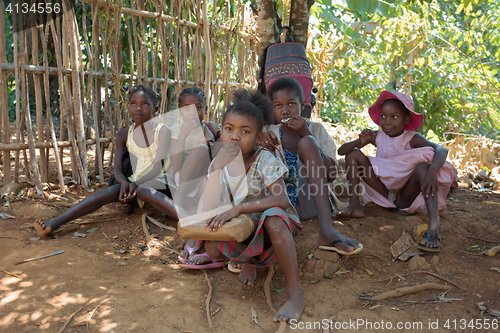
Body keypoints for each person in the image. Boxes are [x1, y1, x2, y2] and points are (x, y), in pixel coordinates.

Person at [180, 90, 305, 323]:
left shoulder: (264, 159)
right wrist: (216, 169)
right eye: (229, 129)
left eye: (245, 131)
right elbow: (209, 205)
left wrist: (238, 209)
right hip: (242, 229)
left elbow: (281, 200)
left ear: (258, 138)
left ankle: (295, 292)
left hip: (269, 229)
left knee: (273, 218)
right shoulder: (221, 161)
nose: (235, 137)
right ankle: (245, 260)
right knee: (214, 238)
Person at [34, 85, 178, 237]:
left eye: (145, 104)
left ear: (156, 110)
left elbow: (157, 167)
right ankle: (54, 224)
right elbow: (117, 168)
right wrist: (123, 183)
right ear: (128, 107)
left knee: (142, 189)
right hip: (134, 183)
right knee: (110, 192)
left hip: (160, 182)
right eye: (133, 104)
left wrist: (137, 184)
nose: (138, 108)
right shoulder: (123, 135)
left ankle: (190, 221)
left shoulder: (162, 131)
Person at [337, 91, 458, 252]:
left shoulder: (412, 138)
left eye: (394, 116)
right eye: (383, 116)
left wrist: (432, 170)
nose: (387, 122)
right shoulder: (378, 137)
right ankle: (354, 206)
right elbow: (342, 151)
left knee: (423, 167)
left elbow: (441, 149)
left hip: (404, 197)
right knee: (353, 154)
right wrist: (359, 141)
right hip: (383, 193)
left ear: (406, 119)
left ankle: (434, 227)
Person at [260, 77, 362, 255]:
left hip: (310, 202)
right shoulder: (268, 132)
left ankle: (327, 230)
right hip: (280, 206)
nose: (285, 111)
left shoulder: (316, 130)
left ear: (302, 105)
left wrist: (305, 134)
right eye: (278, 106)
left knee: (307, 143)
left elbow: (331, 175)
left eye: (291, 103)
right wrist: (260, 144)